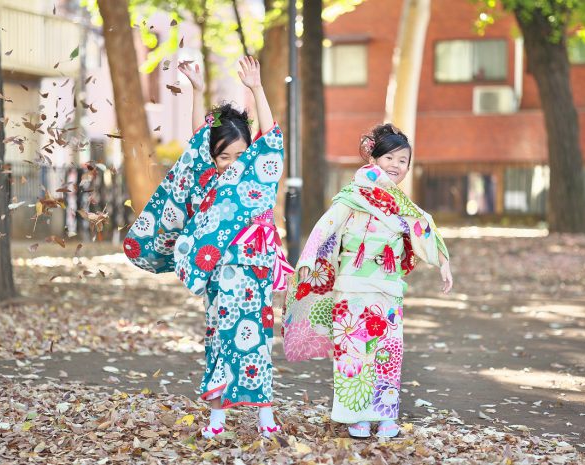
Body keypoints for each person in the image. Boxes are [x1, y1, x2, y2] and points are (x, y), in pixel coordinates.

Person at [124, 56, 292, 439]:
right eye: (223, 156)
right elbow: (199, 140)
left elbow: (272, 134)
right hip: (218, 271)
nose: (232, 162)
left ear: (251, 150)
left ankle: (265, 415)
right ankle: (217, 418)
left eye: (239, 154)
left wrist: (256, 88)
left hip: (255, 269)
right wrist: (197, 91)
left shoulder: (260, 172)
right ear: (213, 158)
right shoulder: (205, 179)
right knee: (219, 336)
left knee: (259, 340)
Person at [282, 123, 453, 439]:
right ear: (373, 158)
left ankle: (385, 414)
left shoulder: (400, 204)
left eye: (403, 161)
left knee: (388, 352)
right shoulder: (353, 195)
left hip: (388, 290)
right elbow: (326, 226)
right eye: (389, 157)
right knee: (353, 351)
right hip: (352, 289)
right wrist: (307, 257)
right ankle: (356, 416)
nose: (396, 166)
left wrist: (443, 261)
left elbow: (423, 228)